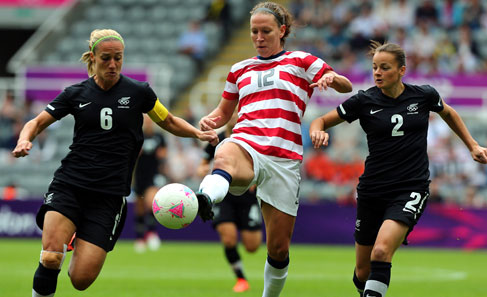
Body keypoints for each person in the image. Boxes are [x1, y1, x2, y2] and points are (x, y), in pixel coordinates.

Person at [11, 29, 218, 297]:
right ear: (93, 59)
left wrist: (197, 133)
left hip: (109, 195)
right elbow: (37, 122)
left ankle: (75, 233)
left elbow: (167, 120)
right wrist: (24, 139)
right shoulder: (75, 94)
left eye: (118, 58)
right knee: (51, 257)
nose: (112, 64)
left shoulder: (139, 92)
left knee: (80, 279)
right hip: (70, 185)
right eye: (106, 58)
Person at [309, 41, 487, 297]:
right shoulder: (363, 101)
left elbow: (449, 113)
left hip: (410, 188)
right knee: (363, 271)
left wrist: (472, 145)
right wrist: (316, 131)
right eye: (375, 67)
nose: (377, 72)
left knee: (381, 252)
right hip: (372, 190)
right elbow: (320, 120)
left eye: (384, 68)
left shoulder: (424, 95)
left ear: (401, 70)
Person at [192, 2, 352, 296]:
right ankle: (206, 198)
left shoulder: (302, 61)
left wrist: (333, 79)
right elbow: (223, 113)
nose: (259, 37)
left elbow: (345, 86)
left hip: (284, 158)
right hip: (247, 143)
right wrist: (209, 120)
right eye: (254, 31)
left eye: (265, 31)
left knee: (278, 249)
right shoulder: (239, 69)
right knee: (225, 153)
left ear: (282, 31)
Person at [197, 111, 262, 293]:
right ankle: (241, 278)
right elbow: (202, 163)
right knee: (228, 237)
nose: (234, 116)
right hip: (223, 197)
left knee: (252, 246)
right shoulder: (216, 140)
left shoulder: (251, 137)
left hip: (247, 198)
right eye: (231, 112)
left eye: (237, 113)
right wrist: (203, 168)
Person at [133, 115, 169, 253]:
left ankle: (152, 233)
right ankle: (140, 238)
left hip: (153, 174)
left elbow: (163, 154)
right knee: (140, 208)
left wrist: (161, 156)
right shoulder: (138, 136)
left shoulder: (159, 137)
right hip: (140, 175)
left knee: (151, 202)